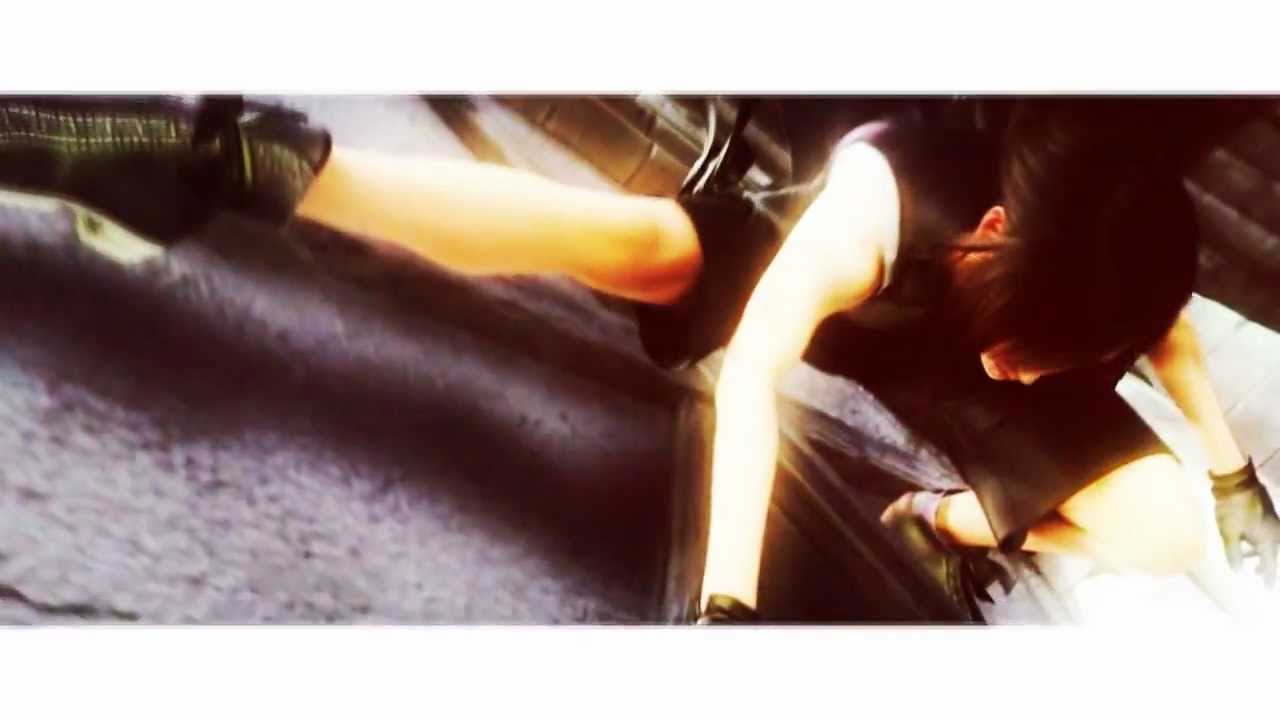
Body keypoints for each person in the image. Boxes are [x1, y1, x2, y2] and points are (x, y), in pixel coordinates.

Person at [2, 95, 1275, 621]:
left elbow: (1161, 333)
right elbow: (753, 378)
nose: (1029, 371)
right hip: (826, 288)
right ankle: (241, 163)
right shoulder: (880, 201)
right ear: (988, 233)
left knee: (1163, 527)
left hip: (966, 342)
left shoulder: (1105, 262)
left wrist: (1225, 476)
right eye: (1038, 342)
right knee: (629, 243)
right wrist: (726, 607)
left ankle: (944, 523)